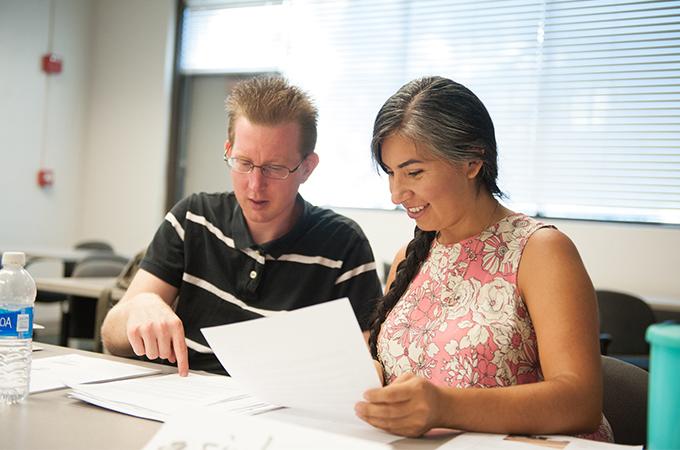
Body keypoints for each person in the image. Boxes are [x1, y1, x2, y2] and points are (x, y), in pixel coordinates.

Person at [354, 76, 613, 441]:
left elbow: (580, 403)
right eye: (391, 173)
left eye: (414, 172)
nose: (397, 193)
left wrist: (444, 407)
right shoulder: (408, 258)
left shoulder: (540, 251)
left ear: (473, 161)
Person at [101, 76, 382, 376]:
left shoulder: (343, 244)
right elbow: (112, 336)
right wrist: (140, 306)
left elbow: (364, 366)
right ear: (228, 149)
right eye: (243, 162)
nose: (254, 185)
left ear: (307, 168)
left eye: (275, 168)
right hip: (179, 399)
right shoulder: (193, 218)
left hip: (279, 411)